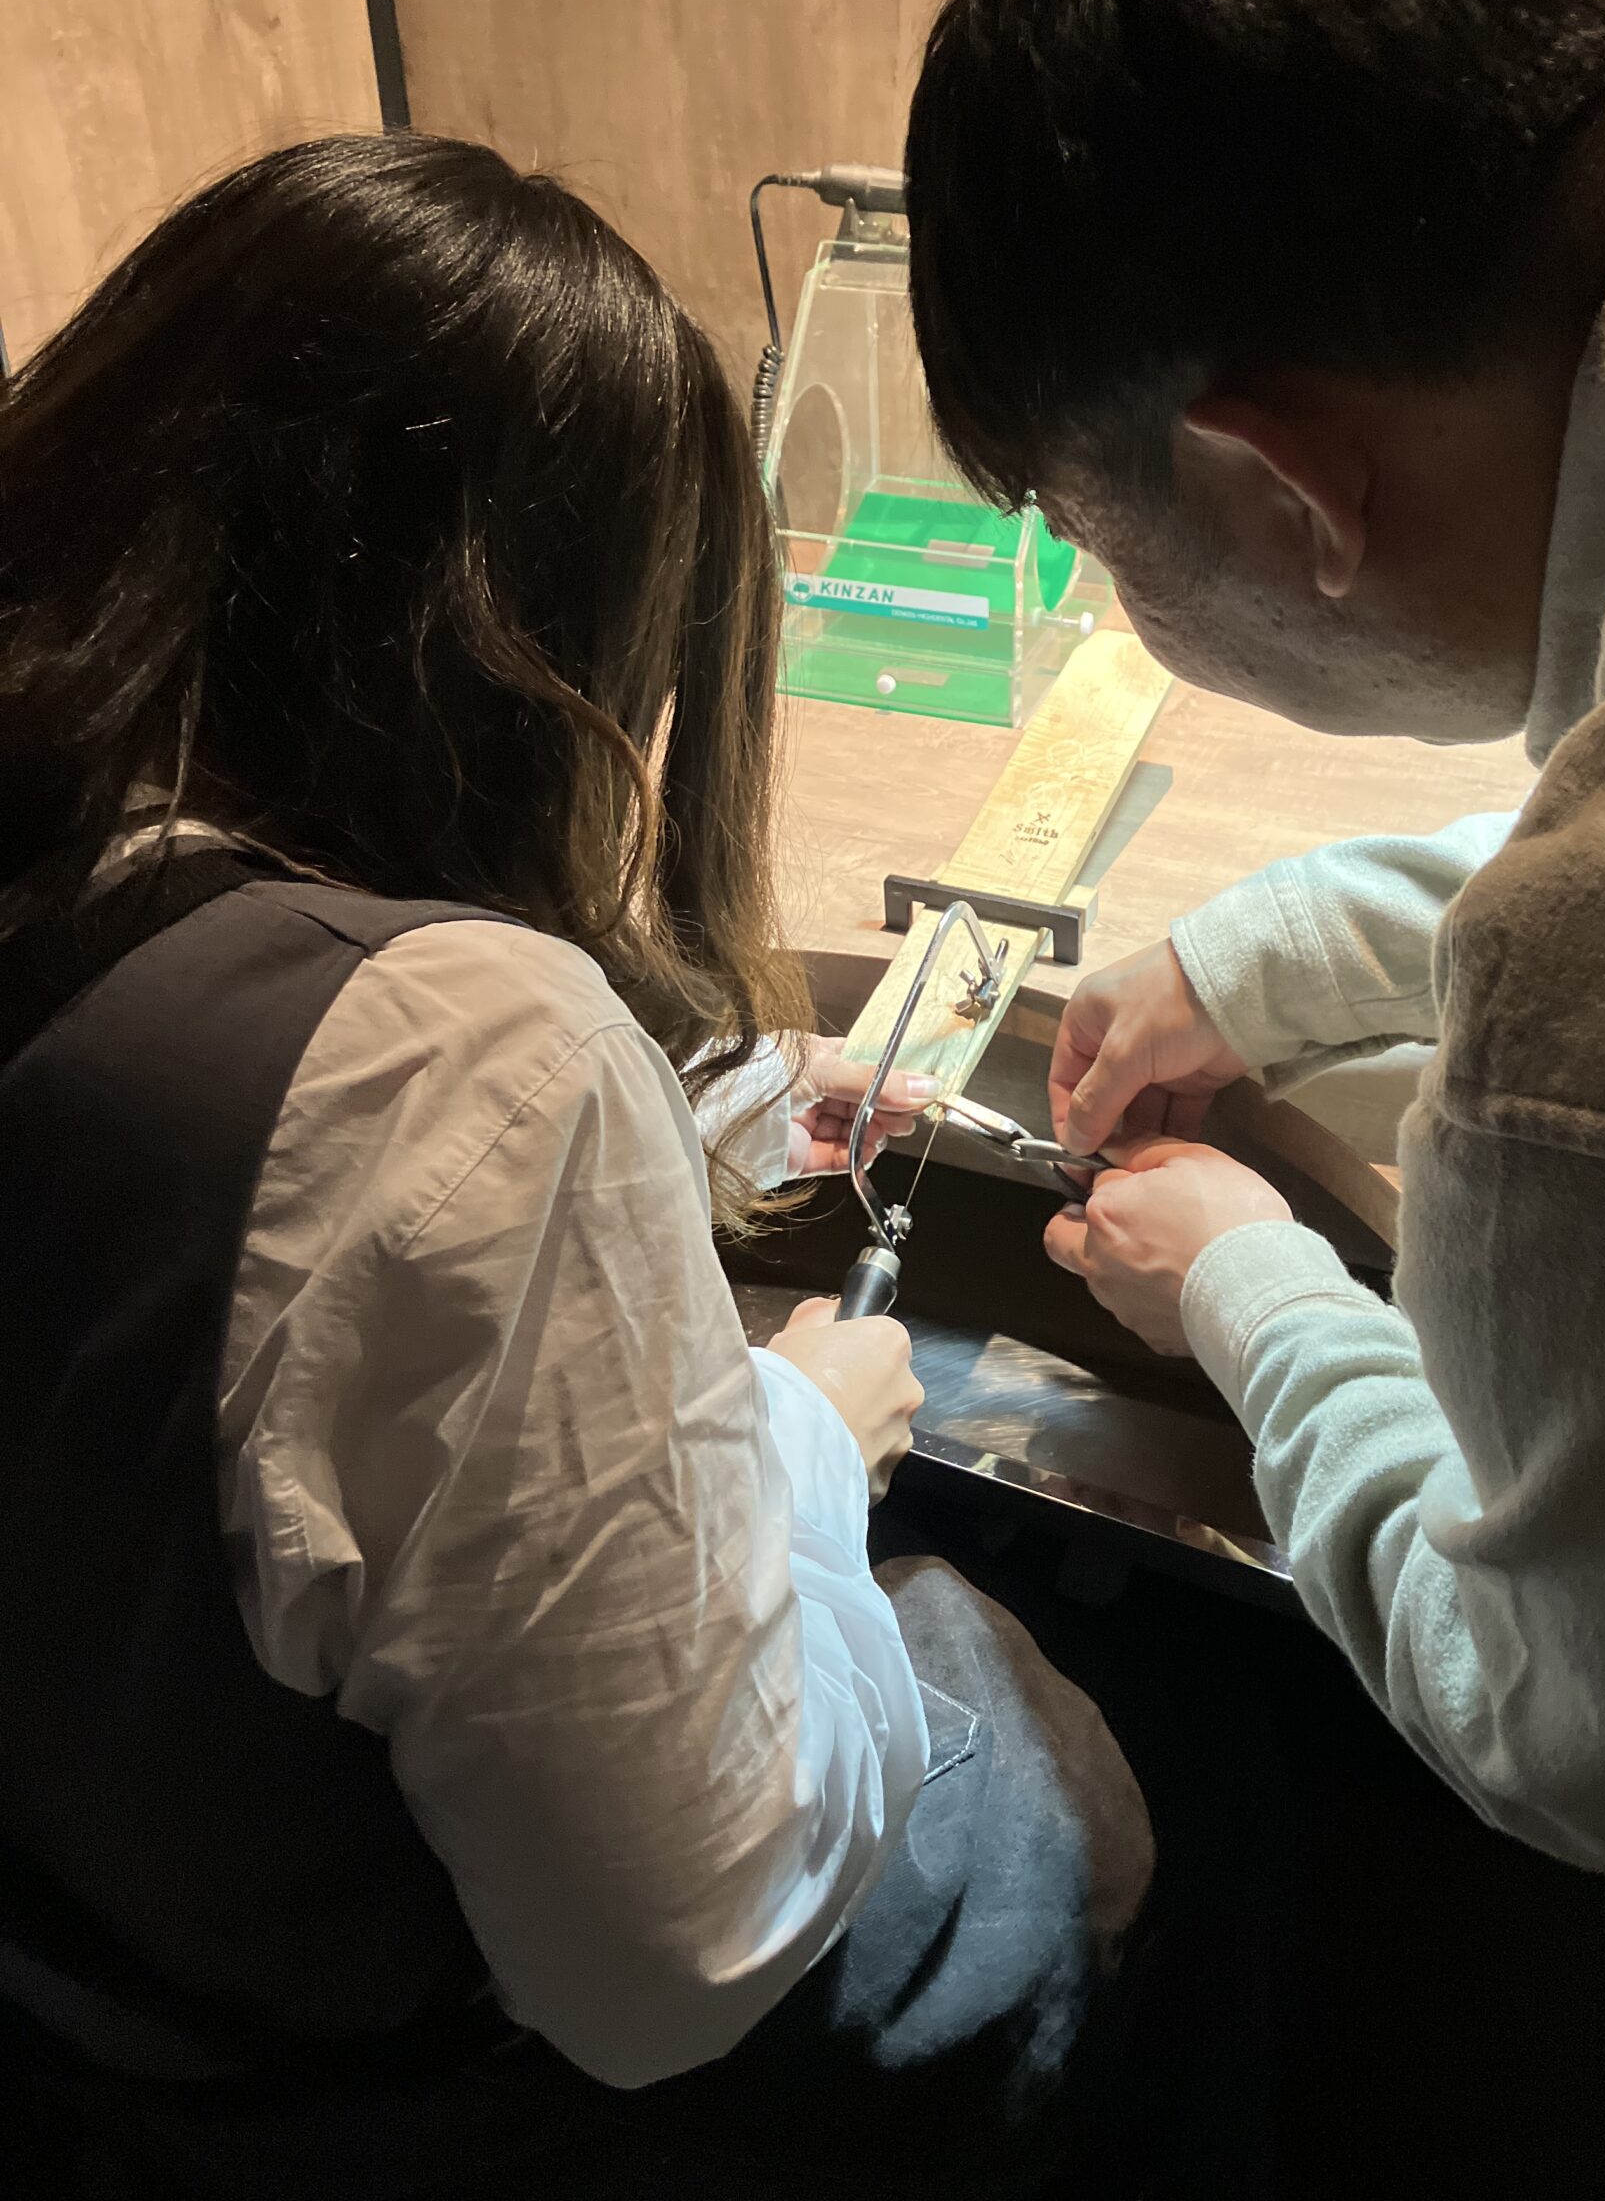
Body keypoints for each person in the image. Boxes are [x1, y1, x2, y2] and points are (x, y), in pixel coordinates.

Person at [905, 0, 1605, 2194]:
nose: (1130, 603)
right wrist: (1273, 944)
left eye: (1106, 546)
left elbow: (1582, 1733)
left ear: (1279, 481)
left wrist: (1247, 1282)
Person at [0, 134, 1151, 2201]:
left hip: (90, 1957)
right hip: (353, 2086)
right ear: (533, 642)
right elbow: (682, 1951)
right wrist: (802, 1443)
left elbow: (196, 1202)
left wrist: (694, 1109)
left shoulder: (79, 864)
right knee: (1029, 1720)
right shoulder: (469, 1064)